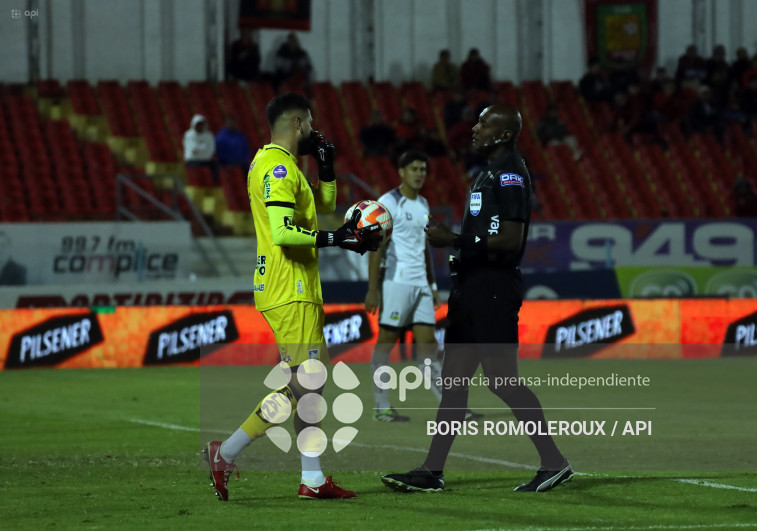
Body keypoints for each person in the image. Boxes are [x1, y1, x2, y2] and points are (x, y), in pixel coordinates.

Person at [381, 103, 572, 494]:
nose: (475, 128)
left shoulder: (511, 175)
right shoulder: (488, 173)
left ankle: (554, 462)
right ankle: (432, 471)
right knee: (453, 385)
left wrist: (454, 239)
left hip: (494, 287)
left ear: (503, 134)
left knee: (503, 381)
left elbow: (512, 240)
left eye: (484, 123)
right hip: (471, 287)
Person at [204, 93, 381, 501]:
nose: (316, 133)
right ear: (298, 123)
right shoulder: (279, 166)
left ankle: (313, 479)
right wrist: (336, 239)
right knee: (306, 386)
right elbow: (284, 233)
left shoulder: (276, 165)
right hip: (291, 286)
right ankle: (226, 452)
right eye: (312, 125)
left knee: (310, 387)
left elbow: (326, 205)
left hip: (294, 286)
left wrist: (327, 168)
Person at [365, 150, 443, 421]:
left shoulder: (423, 204)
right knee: (386, 343)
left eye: (423, 169)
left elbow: (424, 250)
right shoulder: (387, 203)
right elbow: (376, 248)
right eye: (414, 169)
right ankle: (381, 406)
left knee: (429, 345)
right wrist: (373, 289)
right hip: (396, 283)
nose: (419, 174)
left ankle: (450, 408)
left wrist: (432, 284)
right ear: (401, 172)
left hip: (421, 284)